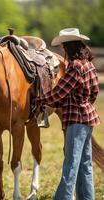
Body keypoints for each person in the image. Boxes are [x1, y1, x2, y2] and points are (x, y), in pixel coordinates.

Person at [37, 28, 100, 200]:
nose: (62, 50)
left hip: (76, 120)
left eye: (64, 47)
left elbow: (60, 91)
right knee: (85, 164)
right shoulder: (89, 65)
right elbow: (94, 92)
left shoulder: (75, 66)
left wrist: (40, 99)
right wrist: (82, 102)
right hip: (88, 118)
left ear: (69, 47)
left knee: (71, 164)